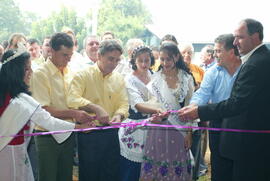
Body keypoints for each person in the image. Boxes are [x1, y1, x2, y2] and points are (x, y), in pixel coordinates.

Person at [179, 19, 270, 181]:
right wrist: (193, 106)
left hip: (248, 136)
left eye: (239, 38)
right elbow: (203, 94)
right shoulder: (215, 71)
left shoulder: (253, 64)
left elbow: (237, 103)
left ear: (255, 37)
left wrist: (199, 112)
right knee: (221, 172)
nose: (236, 42)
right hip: (223, 128)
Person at [0, 48, 93, 181]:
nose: (31, 72)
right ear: (15, 71)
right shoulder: (19, 101)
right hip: (9, 155)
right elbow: (48, 121)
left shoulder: (24, 99)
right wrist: (79, 128)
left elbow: (48, 120)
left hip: (18, 152)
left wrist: (77, 127)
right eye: (27, 69)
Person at [31, 32, 94, 181]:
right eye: (64, 55)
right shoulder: (40, 74)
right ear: (51, 51)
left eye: (70, 55)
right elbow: (43, 110)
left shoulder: (70, 72)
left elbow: (74, 102)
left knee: (65, 176)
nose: (68, 59)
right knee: (48, 177)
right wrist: (75, 114)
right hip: (47, 136)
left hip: (68, 132)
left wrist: (83, 116)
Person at [67, 39, 129, 181]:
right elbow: (72, 99)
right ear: (99, 56)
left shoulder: (118, 78)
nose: (113, 64)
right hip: (89, 134)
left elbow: (124, 103)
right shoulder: (83, 75)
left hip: (111, 133)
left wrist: (119, 115)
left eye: (117, 60)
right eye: (110, 59)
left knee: (111, 173)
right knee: (90, 174)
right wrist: (95, 108)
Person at [140, 42, 196, 181]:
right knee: (157, 164)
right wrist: (156, 114)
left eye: (168, 59)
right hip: (158, 129)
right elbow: (149, 104)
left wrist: (189, 133)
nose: (165, 62)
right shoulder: (155, 79)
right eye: (162, 59)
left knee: (176, 166)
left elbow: (191, 106)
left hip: (179, 130)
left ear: (177, 57)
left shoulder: (186, 78)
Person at [189, 34, 241, 181]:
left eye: (218, 51)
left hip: (241, 126)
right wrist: (192, 106)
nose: (215, 55)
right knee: (219, 168)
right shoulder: (212, 72)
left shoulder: (246, 70)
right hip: (218, 125)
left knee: (239, 169)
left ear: (231, 51)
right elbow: (203, 93)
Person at [118, 46, 166, 181]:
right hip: (135, 129)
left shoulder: (155, 77)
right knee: (130, 170)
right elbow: (138, 105)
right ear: (134, 62)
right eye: (140, 61)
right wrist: (158, 110)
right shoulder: (129, 80)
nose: (144, 64)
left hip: (152, 128)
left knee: (149, 171)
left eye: (147, 60)